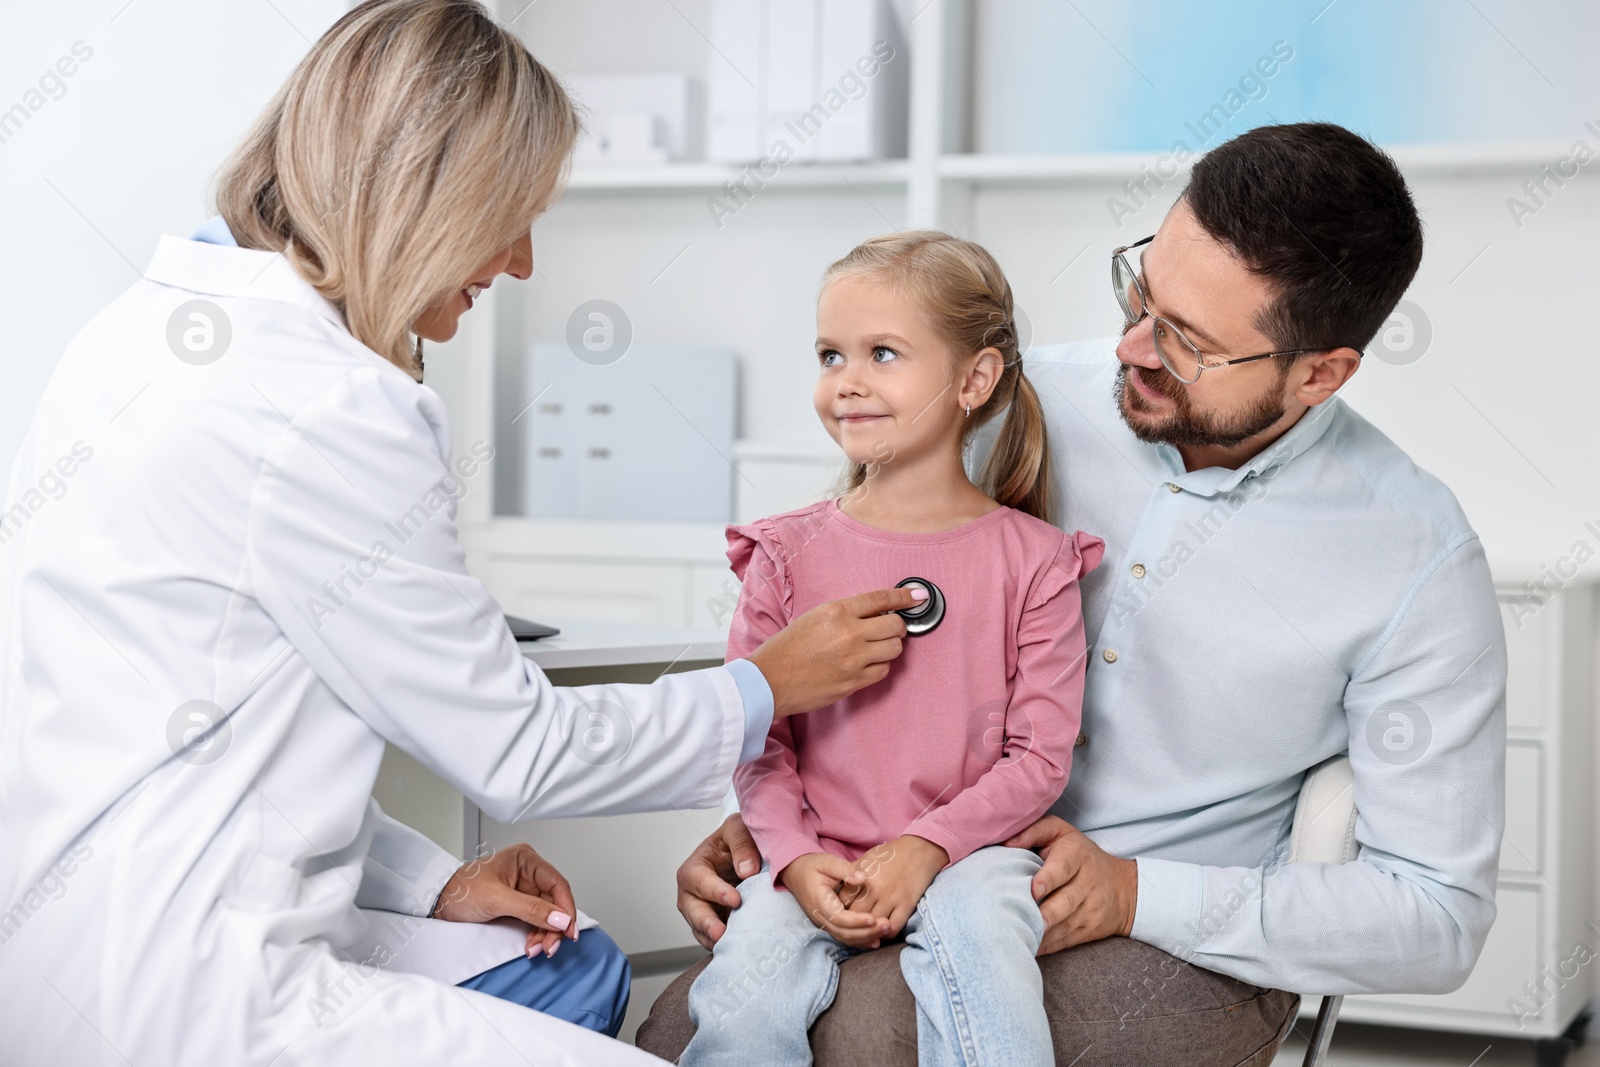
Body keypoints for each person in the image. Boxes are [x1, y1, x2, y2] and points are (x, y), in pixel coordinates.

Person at [0, 3, 921, 1065]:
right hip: (185, 988)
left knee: (579, 969)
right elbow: (520, 750)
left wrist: (433, 882)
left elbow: (213, 736)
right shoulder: (332, 405)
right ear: (422, 199)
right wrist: (767, 685)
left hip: (61, 933)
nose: (522, 262)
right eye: (509, 216)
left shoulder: (136, 330)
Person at [642, 122, 1508, 1065]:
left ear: (1320, 373)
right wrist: (789, 825)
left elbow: (1437, 915)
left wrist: (1136, 890)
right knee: (679, 1023)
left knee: (857, 1040)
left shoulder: (1413, 557)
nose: (1131, 347)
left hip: (1166, 939)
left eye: (1185, 342)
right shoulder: (1010, 402)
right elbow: (846, 616)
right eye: (1140, 293)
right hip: (913, 856)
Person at [679, 233, 1104, 1066]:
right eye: (831, 353)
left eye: (882, 353)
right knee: (740, 992)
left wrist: (929, 846)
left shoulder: (1038, 562)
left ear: (974, 381)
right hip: (813, 856)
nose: (848, 381)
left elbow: (1039, 757)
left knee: (985, 944)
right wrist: (796, 862)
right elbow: (757, 739)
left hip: (974, 857)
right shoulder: (783, 555)